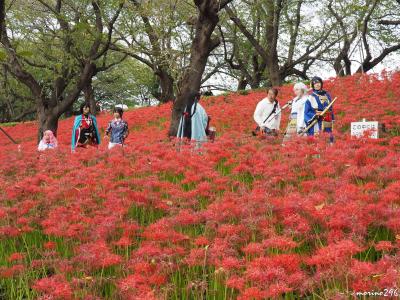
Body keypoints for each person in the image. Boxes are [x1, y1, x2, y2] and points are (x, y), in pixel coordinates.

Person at [304, 77, 335, 141]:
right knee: (318, 138)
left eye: (318, 82)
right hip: (317, 120)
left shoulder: (327, 95)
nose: (317, 85)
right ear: (313, 85)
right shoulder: (311, 97)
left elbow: (331, 108)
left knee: (328, 137)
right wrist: (315, 115)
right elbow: (307, 112)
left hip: (327, 119)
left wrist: (332, 118)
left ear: (321, 83)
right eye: (315, 84)